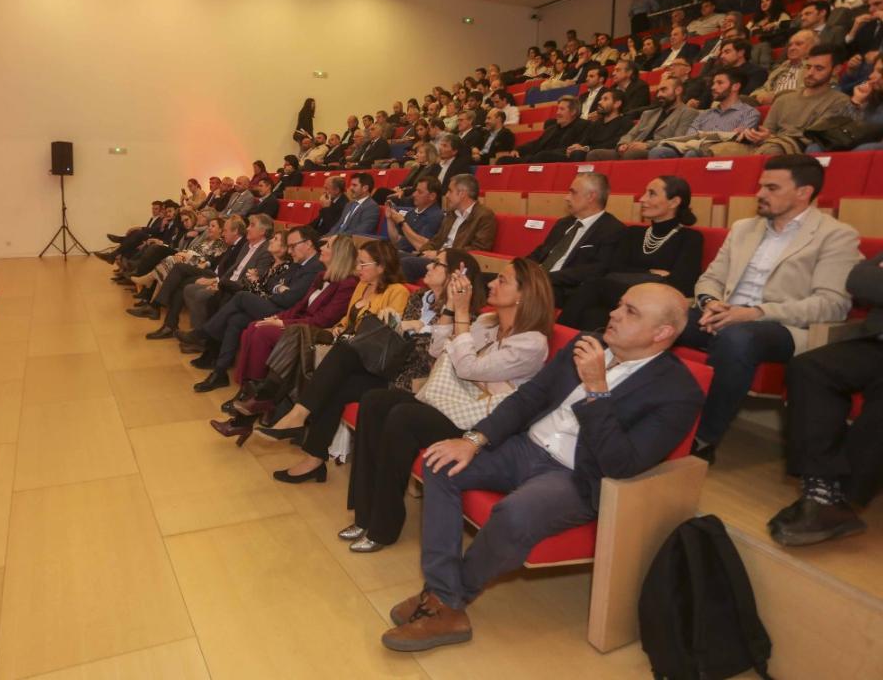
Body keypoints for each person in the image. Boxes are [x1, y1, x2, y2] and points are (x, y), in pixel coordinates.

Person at [381, 283, 700, 652]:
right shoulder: (588, 341)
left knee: (516, 514)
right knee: (440, 461)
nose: (614, 313)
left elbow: (622, 464)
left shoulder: (678, 392)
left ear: (662, 333)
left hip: (576, 474)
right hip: (524, 446)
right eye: (619, 303)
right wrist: (473, 440)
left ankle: (443, 602)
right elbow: (530, 397)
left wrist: (597, 391)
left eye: (631, 312)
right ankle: (443, 596)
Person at [343, 258, 554, 552]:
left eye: (502, 281)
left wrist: (464, 314)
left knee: (403, 417)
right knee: (375, 401)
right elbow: (437, 350)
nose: (491, 284)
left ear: (524, 295)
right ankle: (364, 515)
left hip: (480, 423)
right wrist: (451, 308)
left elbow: (467, 368)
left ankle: (383, 528)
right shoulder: (486, 323)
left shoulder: (532, 343)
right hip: (451, 403)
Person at [680, 155, 861, 462]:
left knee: (738, 338)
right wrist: (711, 303)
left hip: (783, 327)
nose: (760, 194)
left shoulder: (836, 235)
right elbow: (710, 279)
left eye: (772, 188)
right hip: (726, 315)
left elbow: (832, 305)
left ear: (803, 192)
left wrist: (755, 313)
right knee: (655, 314)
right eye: (761, 186)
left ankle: (702, 439)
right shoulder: (743, 228)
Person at [255, 240, 413, 482]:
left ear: (381, 266)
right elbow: (347, 322)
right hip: (353, 362)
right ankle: (314, 460)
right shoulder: (362, 285)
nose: (358, 267)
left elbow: (387, 333)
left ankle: (296, 414)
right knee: (335, 390)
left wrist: (352, 331)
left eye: (363, 263)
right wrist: (339, 330)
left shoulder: (397, 291)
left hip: (376, 366)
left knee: (343, 351)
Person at [772, 251, 883, 546]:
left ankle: (843, 500)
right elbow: (859, 279)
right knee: (809, 368)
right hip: (876, 343)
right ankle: (820, 488)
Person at [182, 226, 325, 392]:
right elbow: (273, 284)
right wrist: (279, 289)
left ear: (308, 244)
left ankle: (203, 333)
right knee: (236, 319)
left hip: (286, 314)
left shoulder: (314, 266)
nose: (290, 250)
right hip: (276, 304)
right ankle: (219, 372)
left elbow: (290, 299)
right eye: (289, 246)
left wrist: (278, 291)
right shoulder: (299, 263)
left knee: (241, 296)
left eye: (293, 246)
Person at [558, 176, 703, 329]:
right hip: (622, 296)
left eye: (651, 194)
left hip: (656, 301)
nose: (642, 199)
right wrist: (653, 274)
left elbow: (683, 283)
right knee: (593, 316)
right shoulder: (634, 233)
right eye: (645, 193)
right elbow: (615, 268)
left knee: (594, 285)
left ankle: (556, 337)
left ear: (674, 202)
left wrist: (638, 274)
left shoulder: (690, 238)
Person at [707, 45, 849, 157]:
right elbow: (767, 131)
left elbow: (815, 138)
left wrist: (771, 137)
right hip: (766, 145)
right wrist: (754, 134)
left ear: (836, 70)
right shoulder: (784, 98)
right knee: (711, 151)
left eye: (819, 68)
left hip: (794, 148)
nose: (810, 73)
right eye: (808, 67)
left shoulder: (839, 101)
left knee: (770, 150)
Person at [517, 174, 627, 306]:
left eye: (572, 192)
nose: (566, 197)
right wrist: (519, 268)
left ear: (591, 196)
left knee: (512, 290)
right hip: (536, 280)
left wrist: (543, 278)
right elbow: (541, 251)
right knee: (489, 280)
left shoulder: (612, 229)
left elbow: (594, 270)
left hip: (561, 290)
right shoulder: (563, 223)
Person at [130, 215, 243, 322]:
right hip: (191, 259)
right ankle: (152, 305)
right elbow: (190, 248)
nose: (209, 228)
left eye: (213, 226)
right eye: (209, 226)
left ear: (220, 230)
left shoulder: (221, 243)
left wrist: (188, 256)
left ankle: (151, 295)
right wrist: (184, 252)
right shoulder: (207, 240)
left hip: (200, 264)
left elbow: (210, 260)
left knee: (171, 262)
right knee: (169, 264)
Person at [400, 174, 496, 281]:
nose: (446, 195)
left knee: (406, 263)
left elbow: (478, 249)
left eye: (450, 191)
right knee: (393, 255)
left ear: (462, 194)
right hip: (437, 259)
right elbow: (436, 240)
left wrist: (440, 254)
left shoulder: (484, 215)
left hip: (453, 264)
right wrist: (424, 252)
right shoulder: (451, 213)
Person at [647, 68, 761, 158]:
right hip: (694, 147)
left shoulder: (750, 113)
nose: (713, 87)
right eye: (713, 83)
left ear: (735, 86)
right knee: (658, 151)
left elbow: (738, 139)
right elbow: (690, 135)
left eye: (719, 83)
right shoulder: (704, 114)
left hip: (721, 153)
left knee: (693, 153)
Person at [586, 75, 698, 161]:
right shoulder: (649, 113)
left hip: (657, 149)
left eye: (664, 90)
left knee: (632, 154)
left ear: (678, 91)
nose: (659, 94)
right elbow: (630, 134)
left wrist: (647, 145)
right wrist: (623, 144)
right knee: (595, 154)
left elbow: (677, 139)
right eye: (658, 90)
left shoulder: (688, 112)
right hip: (633, 147)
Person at [497, 96, 587, 164]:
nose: (557, 112)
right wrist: (518, 150)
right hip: (536, 158)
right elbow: (536, 143)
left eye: (562, 109)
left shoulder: (582, 126)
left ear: (573, 111)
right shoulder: (552, 128)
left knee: (543, 156)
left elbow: (575, 148)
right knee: (502, 160)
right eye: (558, 109)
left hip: (556, 159)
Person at [548, 91, 633, 162]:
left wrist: (586, 148)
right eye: (600, 99)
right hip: (587, 153)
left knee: (578, 154)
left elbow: (615, 143)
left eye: (605, 99)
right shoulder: (595, 123)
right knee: (550, 155)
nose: (599, 102)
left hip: (606, 156)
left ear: (617, 104)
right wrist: (575, 147)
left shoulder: (625, 122)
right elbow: (584, 141)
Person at [748, 28, 817, 106]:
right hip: (770, 103)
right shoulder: (780, 68)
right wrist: (758, 95)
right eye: (790, 45)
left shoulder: (815, 68)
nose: (791, 48)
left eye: (798, 44)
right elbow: (764, 88)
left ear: (813, 47)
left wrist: (776, 97)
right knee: (743, 100)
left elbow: (809, 91)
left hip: (795, 104)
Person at [384, 176, 445, 255]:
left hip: (412, 257)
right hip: (400, 253)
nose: (414, 194)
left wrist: (402, 223)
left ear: (432, 196)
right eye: (415, 190)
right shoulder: (412, 213)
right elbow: (396, 239)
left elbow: (422, 247)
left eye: (420, 192)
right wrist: (389, 219)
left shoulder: (436, 216)